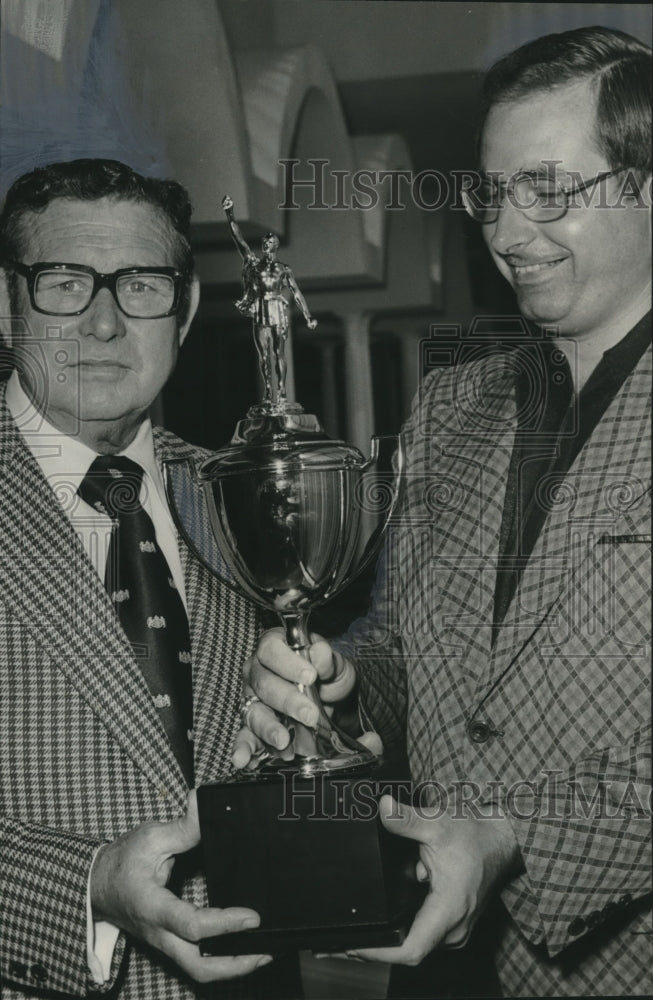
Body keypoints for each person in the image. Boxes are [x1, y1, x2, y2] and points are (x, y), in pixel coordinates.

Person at [234, 26, 652, 998]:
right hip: (433, 958)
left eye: (548, 190)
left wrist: (510, 835)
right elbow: (404, 642)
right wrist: (346, 686)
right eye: (490, 194)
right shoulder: (450, 404)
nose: (505, 233)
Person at [0, 159, 300, 999]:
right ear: (5, 304)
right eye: (65, 284)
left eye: (140, 286)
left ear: (186, 309)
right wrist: (89, 885)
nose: (103, 324)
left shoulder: (248, 499)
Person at [222, 195, 317, 406]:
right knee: (263, 355)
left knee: (278, 352)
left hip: (277, 309)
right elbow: (239, 239)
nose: (266, 243)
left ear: (275, 246)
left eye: (270, 241)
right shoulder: (254, 264)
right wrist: (230, 214)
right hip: (260, 309)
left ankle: (281, 390)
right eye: (264, 241)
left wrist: (308, 316)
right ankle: (267, 390)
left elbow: (296, 292)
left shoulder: (283, 269)